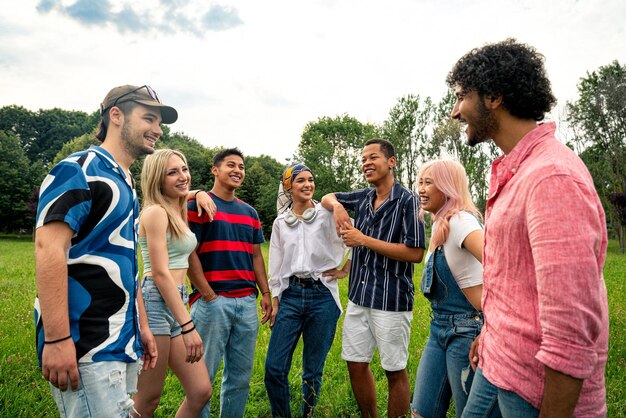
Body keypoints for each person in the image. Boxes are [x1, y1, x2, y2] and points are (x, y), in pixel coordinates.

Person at [446, 39, 609, 417]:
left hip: (534, 394)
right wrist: (490, 334)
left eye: (461, 97)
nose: (456, 112)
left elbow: (570, 331)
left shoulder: (550, 177)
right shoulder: (518, 171)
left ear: (494, 96)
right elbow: (514, 283)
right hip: (498, 362)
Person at [33, 85, 176, 417]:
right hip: (86, 343)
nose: (158, 130)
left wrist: (140, 327)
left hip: (120, 340)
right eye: (149, 118)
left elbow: (126, 265)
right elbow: (48, 248)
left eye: (160, 122)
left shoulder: (124, 180)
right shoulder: (80, 169)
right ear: (116, 115)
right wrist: (56, 340)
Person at [321, 138, 426, 418]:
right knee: (355, 364)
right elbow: (327, 196)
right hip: (359, 297)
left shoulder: (409, 201)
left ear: (391, 162)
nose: (366, 163)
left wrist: (364, 240)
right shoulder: (363, 198)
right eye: (363, 159)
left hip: (391, 300)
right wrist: (338, 207)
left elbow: (415, 252)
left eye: (373, 158)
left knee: (394, 370)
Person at [187, 148, 272, 418]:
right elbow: (189, 254)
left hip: (246, 302)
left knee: (239, 379)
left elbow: (256, 256)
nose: (238, 170)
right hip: (213, 303)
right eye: (231, 165)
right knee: (202, 379)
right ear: (215, 170)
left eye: (242, 167)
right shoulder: (199, 205)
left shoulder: (249, 212)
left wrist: (265, 293)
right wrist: (209, 294)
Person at [410, 159, 500, 418]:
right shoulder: (441, 223)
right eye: (420, 182)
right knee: (421, 412)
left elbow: (499, 263)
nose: (422, 189)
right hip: (438, 328)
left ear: (448, 187)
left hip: (468, 331)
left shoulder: (460, 221)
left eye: (429, 183)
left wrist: (492, 324)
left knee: (469, 414)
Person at [264, 163, 351, 417]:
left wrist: (346, 268)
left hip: (322, 296)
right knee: (274, 368)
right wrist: (276, 297)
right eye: (300, 180)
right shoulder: (281, 222)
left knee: (312, 370)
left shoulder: (326, 215)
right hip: (291, 296)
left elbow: (358, 234)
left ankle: (307, 414)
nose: (308, 185)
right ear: (288, 187)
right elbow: (276, 264)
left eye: (311, 180)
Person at [132, 149, 212, 417]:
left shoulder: (175, 207)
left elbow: (184, 191)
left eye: (184, 169)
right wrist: (188, 325)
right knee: (147, 400)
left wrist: (197, 192)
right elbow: (159, 273)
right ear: (157, 178)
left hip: (176, 298)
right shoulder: (155, 213)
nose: (183, 176)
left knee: (201, 390)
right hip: (156, 301)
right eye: (173, 172)